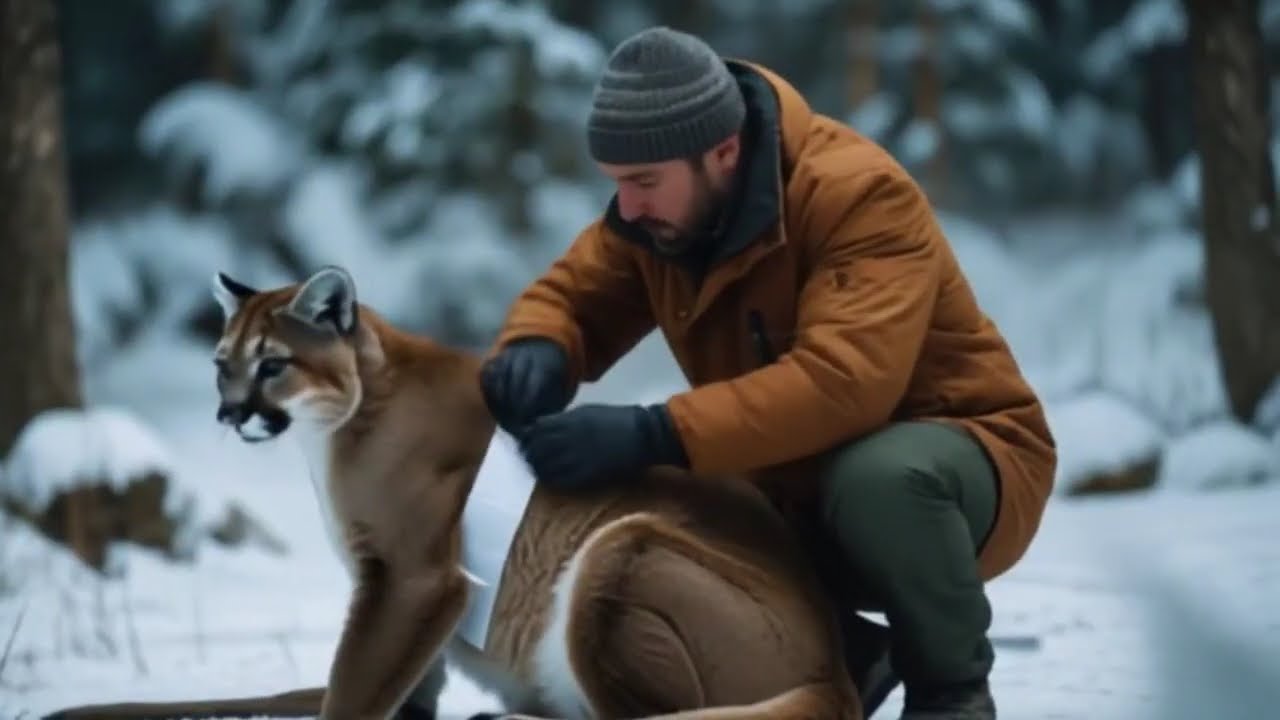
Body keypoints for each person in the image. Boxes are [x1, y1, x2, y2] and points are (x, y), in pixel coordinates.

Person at [478, 25, 1056, 720]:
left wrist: (656, 431)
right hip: (791, 476)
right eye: (617, 183)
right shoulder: (662, 217)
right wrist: (538, 346)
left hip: (962, 464)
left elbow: (844, 384)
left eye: (644, 182)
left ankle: (951, 689)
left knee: (876, 479)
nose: (627, 206)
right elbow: (575, 295)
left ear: (723, 152)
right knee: (655, 485)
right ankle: (844, 653)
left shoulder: (857, 194)